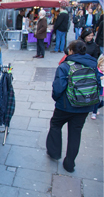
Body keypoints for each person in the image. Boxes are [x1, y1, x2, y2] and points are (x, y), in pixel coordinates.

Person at [46, 40, 99, 173]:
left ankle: (54, 153)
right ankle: (70, 164)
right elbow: (97, 85)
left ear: (70, 51)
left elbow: (58, 88)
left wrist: (57, 99)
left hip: (65, 105)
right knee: (75, 133)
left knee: (55, 125)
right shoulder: (93, 65)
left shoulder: (65, 66)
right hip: (84, 107)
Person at [92, 55, 104, 119]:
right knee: (98, 101)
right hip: (99, 89)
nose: (102, 67)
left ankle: (96, 108)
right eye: (101, 65)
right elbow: (96, 79)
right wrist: (100, 78)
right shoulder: (98, 72)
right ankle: (94, 112)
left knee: (102, 103)